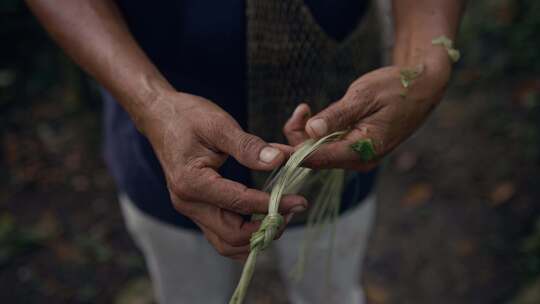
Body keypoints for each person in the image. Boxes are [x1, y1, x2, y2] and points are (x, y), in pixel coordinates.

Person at [26, 0, 464, 303]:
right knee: (188, 292)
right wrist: (151, 104)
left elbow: (425, 38)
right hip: (158, 142)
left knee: (331, 289)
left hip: (343, 125)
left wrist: (424, 61)